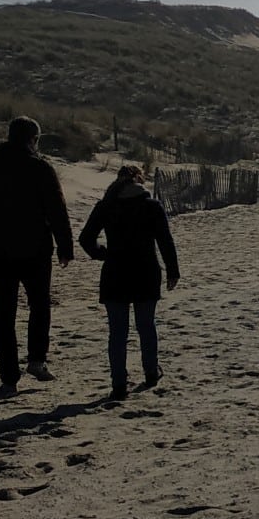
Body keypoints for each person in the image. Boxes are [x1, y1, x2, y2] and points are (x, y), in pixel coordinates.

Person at [0, 117, 74, 391]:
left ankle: (9, 375)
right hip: (35, 250)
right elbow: (57, 210)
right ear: (33, 140)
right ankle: (36, 360)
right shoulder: (40, 169)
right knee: (40, 305)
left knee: (4, 313)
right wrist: (65, 247)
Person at [79, 165, 180, 400]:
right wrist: (172, 271)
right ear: (138, 180)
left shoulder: (106, 206)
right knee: (146, 326)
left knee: (117, 332)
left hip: (115, 272)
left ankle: (119, 384)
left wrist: (103, 254)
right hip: (146, 271)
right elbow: (165, 240)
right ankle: (151, 372)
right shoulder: (151, 206)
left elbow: (85, 239)